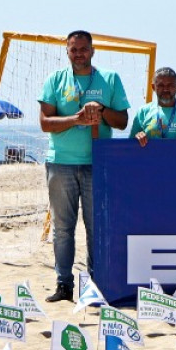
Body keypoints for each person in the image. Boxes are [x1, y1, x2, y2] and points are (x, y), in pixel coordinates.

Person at [37, 30, 130, 303]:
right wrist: (76, 119)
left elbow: (122, 122)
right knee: (63, 229)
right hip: (61, 163)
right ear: (67, 51)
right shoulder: (55, 79)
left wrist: (101, 110)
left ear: (92, 51)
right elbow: (45, 123)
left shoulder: (109, 79)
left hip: (97, 164)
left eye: (83, 49)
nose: (79, 54)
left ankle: (97, 285)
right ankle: (64, 284)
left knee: (96, 227)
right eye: (73, 49)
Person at [128, 67, 176, 145]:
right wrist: (138, 137)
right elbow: (130, 146)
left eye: (170, 85)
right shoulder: (143, 112)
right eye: (161, 85)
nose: (165, 89)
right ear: (153, 87)